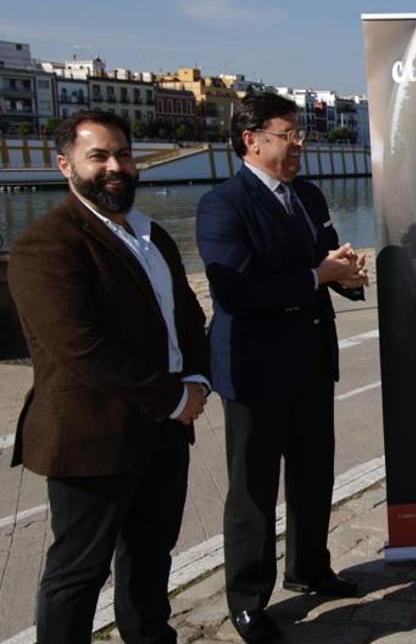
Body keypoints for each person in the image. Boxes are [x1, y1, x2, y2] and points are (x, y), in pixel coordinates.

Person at [8, 110, 209, 643]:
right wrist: (173, 397)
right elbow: (80, 348)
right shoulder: (47, 244)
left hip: (164, 431)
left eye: (123, 154)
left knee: (151, 556)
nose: (115, 166)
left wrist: (197, 380)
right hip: (91, 437)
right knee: (79, 572)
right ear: (65, 165)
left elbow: (187, 317)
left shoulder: (153, 235)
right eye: (98, 156)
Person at [197, 92, 368, 642]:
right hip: (255, 367)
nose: (299, 145)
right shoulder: (223, 205)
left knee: (314, 471)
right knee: (253, 487)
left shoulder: (309, 195)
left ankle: (310, 566)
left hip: (311, 358)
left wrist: (348, 277)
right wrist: (318, 276)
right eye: (288, 135)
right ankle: (248, 599)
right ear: (252, 140)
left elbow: (325, 258)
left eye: (301, 135)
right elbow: (237, 292)